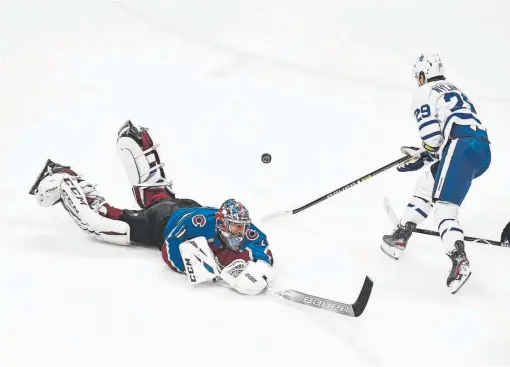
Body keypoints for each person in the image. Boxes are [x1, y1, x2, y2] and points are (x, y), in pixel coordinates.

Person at [30, 121, 274, 295]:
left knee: (161, 197)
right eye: (234, 226)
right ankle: (64, 178)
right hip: (163, 222)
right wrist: (216, 272)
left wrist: (262, 268)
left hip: (182, 205)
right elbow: (170, 249)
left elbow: (262, 246)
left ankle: (138, 144)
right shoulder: (199, 223)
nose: (239, 231)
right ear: (221, 222)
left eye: (241, 226)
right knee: (101, 224)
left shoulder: (244, 230)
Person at [381, 53, 491, 294]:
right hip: (481, 149)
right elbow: (442, 140)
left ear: (422, 75)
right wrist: (424, 155)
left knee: (444, 206)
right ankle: (402, 234)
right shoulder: (453, 88)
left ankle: (459, 260)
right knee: (427, 185)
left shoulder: (424, 92)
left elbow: (433, 140)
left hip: (460, 146)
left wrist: (422, 154)